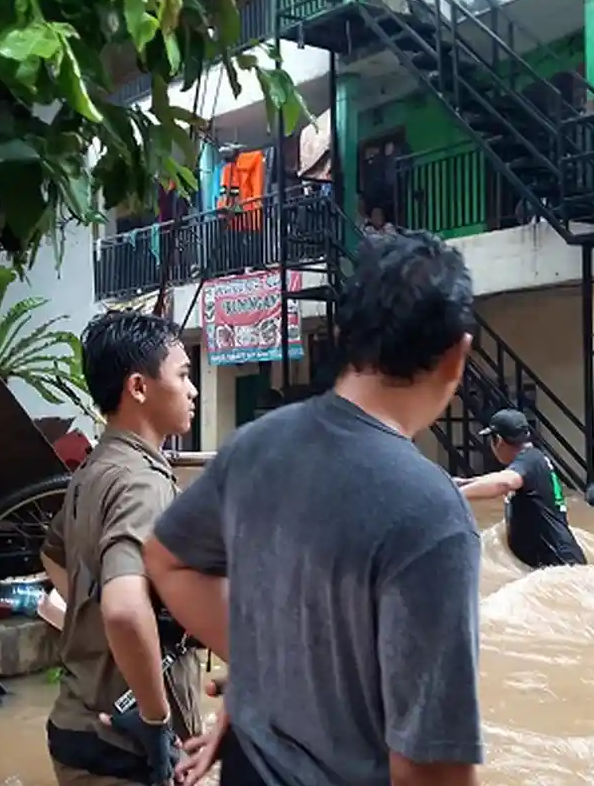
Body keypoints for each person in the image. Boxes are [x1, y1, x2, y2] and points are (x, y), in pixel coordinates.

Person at [145, 230, 485, 785]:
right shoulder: (432, 514)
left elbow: (165, 560)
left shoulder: (254, 445)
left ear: (348, 337)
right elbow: (432, 768)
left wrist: (265, 666)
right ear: (457, 355)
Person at [40, 311, 203, 785]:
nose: (192, 390)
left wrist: (96, 631)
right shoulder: (140, 483)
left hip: (77, 723)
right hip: (125, 744)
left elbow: (53, 555)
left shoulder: (95, 468)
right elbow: (125, 612)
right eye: (183, 375)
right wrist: (155, 721)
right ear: (139, 387)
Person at [456, 408, 587, 568]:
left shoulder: (530, 461)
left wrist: (454, 495)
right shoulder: (532, 460)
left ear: (498, 440)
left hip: (558, 565)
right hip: (556, 564)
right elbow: (496, 478)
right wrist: (458, 483)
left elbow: (503, 483)